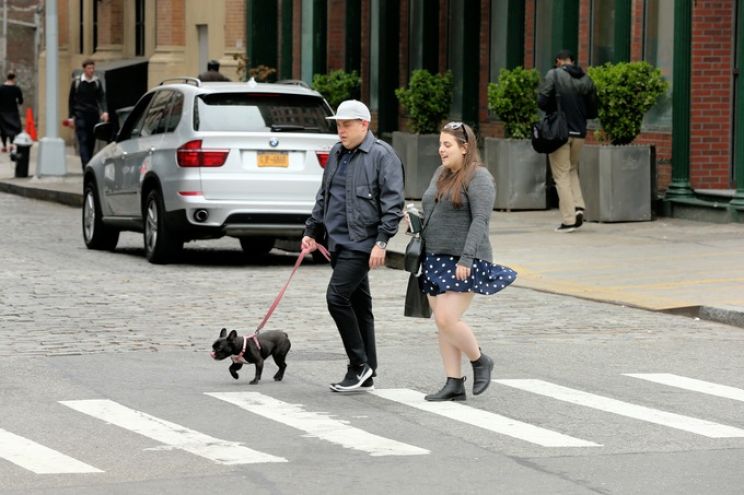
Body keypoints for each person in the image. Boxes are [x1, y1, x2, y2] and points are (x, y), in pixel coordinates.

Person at [302, 100, 405, 393]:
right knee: (360, 305)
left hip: (362, 243)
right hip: (336, 241)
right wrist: (313, 231)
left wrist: (382, 242)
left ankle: (358, 365)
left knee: (336, 297)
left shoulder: (383, 156)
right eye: (338, 124)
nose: (341, 130)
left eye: (346, 124)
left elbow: (393, 204)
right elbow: (325, 195)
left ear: (364, 124)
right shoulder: (336, 153)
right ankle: (368, 370)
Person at [415, 122, 516, 402]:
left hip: (464, 260)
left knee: (448, 318)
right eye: (440, 144)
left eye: (447, 145)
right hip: (434, 256)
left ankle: (480, 360)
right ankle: (454, 382)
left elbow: (481, 220)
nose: (441, 150)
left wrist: (467, 258)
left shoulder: (480, 178)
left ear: (465, 147)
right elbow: (433, 208)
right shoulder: (442, 173)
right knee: (443, 323)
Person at [538, 49, 597, 233]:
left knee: (561, 175)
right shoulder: (586, 78)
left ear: (558, 61)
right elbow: (593, 109)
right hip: (579, 131)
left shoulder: (553, 75)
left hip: (559, 133)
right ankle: (578, 206)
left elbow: (542, 101)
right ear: (572, 61)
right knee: (571, 169)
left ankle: (569, 220)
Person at [66, 59, 108, 168]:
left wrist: (104, 111)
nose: (92, 70)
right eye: (89, 68)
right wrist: (70, 117)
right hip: (80, 115)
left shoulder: (96, 82)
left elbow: (102, 98)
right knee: (83, 140)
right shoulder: (77, 82)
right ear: (84, 69)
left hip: (93, 115)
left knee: (91, 141)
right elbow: (71, 101)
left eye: (93, 68)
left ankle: (88, 162)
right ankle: (85, 165)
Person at [0, 72, 23, 152]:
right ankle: (11, 145)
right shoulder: (17, 89)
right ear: (13, 78)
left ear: (7, 78)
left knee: (3, 129)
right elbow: (20, 101)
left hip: (2, 112)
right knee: (12, 128)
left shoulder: (1, 88)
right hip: (13, 111)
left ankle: (4, 146)